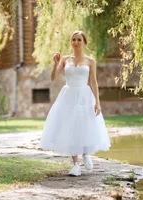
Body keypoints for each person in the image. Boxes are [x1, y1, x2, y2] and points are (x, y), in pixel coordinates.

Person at [38, 30, 111, 176]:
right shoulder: (65, 59)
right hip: (68, 96)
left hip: (84, 96)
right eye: (73, 39)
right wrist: (56, 64)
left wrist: (97, 102)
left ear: (84, 42)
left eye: (79, 40)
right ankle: (76, 164)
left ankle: (85, 154)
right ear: (70, 42)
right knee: (70, 127)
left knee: (84, 125)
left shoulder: (90, 61)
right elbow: (53, 77)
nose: (76, 42)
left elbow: (94, 83)